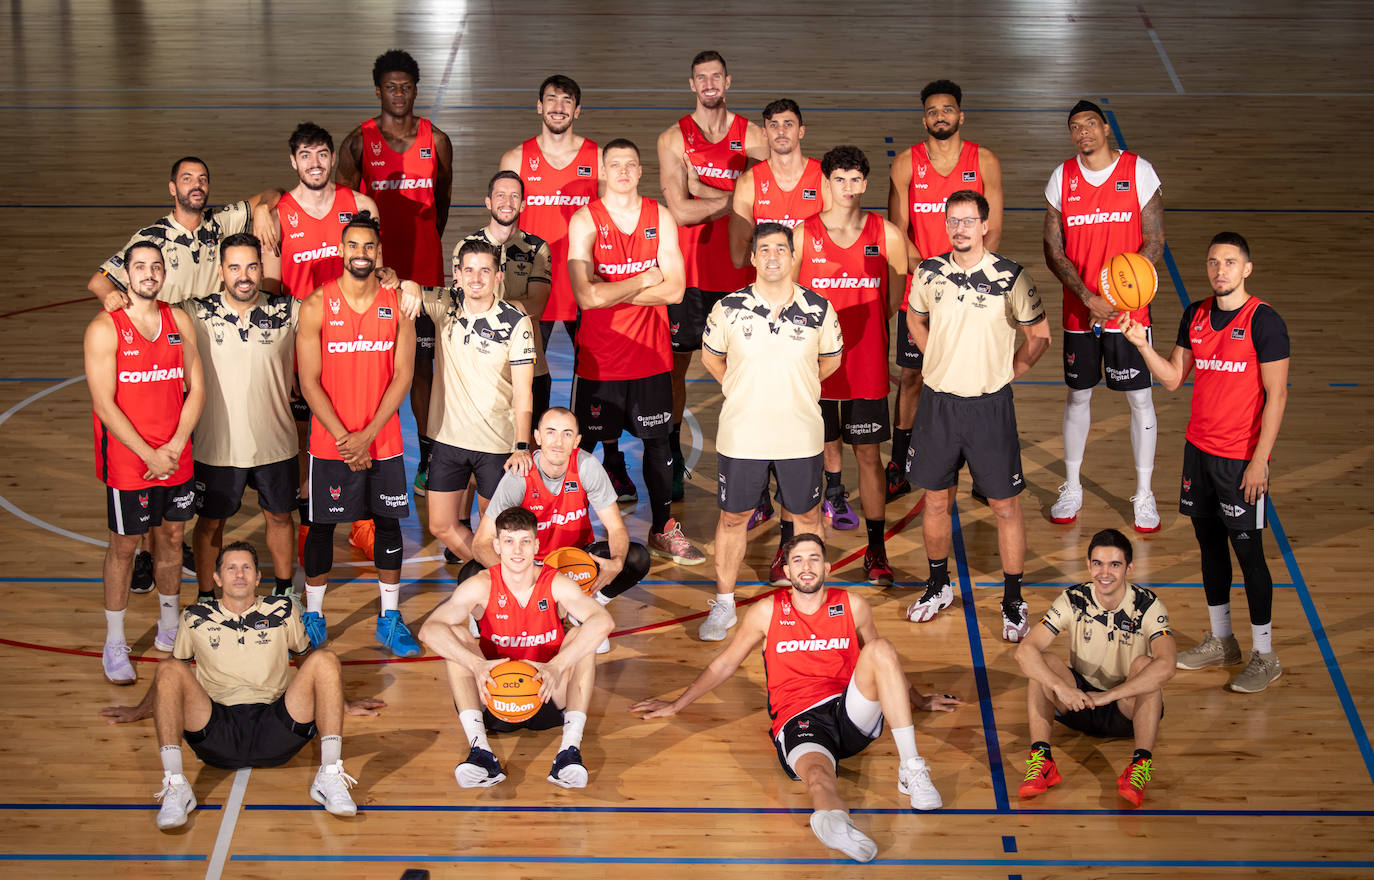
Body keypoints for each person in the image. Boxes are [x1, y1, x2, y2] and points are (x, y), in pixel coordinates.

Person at [631, 533, 962, 863]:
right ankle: (835, 824)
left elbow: (885, 666)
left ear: (827, 567)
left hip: (850, 709)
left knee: (881, 648)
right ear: (786, 571)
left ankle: (912, 769)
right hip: (800, 718)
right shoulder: (766, 612)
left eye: (814, 559)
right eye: (798, 560)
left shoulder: (852, 605)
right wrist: (676, 704)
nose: (806, 567)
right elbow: (726, 663)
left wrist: (919, 700)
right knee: (818, 777)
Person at [87, 156, 279, 588]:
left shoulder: (223, 219)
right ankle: (142, 553)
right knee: (151, 460)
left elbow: (271, 196)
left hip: (208, 354)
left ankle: (172, 543)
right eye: (187, 179)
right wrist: (114, 302)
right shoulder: (151, 237)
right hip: (160, 357)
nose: (196, 186)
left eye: (202, 179)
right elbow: (100, 280)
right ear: (172, 188)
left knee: (185, 461)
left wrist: (264, 211)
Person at [98, 542, 385, 830]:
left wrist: (341, 702)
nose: (239, 574)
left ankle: (330, 775)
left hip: (278, 725)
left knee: (325, 658)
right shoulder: (195, 617)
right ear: (217, 578)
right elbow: (169, 682)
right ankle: (176, 786)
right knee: (169, 668)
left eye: (246, 567)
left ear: (258, 577)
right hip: (216, 729)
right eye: (231, 567)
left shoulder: (282, 610)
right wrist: (139, 710)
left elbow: (306, 660)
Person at [1119, 232, 1290, 693]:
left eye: (1230, 262)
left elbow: (1277, 397)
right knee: (1209, 546)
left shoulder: (1265, 322)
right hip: (1199, 452)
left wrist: (1260, 462)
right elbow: (1174, 378)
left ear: (1246, 269)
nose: (1220, 270)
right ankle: (1222, 640)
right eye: (1214, 262)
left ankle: (1265, 654)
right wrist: (1140, 343)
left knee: (1248, 553)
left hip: (1241, 462)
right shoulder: (1196, 314)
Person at [902, 191, 1050, 642]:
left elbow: (1040, 334)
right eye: (953, 221)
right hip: (939, 404)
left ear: (985, 226)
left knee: (1005, 507)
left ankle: (1012, 596)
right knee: (936, 500)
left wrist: (1011, 370)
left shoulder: (1011, 277)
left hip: (990, 408)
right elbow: (914, 319)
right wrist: (936, 359)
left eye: (969, 221)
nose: (961, 228)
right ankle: (937, 583)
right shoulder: (929, 272)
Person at [697, 222, 843, 641]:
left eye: (782, 248)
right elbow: (712, 358)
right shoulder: (728, 308)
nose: (774, 256)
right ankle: (724, 605)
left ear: (793, 255)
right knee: (732, 517)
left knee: (807, 517)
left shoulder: (819, 308)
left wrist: (796, 388)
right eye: (765, 249)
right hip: (743, 434)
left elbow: (829, 362)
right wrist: (740, 389)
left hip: (799, 433)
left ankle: (807, 603)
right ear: (754, 257)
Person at [566, 138, 704, 566]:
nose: (623, 170)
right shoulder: (584, 221)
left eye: (631, 163)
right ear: (602, 172)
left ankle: (663, 528)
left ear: (640, 171)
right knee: (583, 449)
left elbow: (676, 288)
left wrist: (612, 291)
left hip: (649, 356)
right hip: (599, 359)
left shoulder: (659, 216)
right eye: (615, 164)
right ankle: (575, 529)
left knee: (659, 447)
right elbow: (586, 298)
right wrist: (643, 280)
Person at [295, 211, 420, 656]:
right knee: (321, 527)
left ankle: (389, 618)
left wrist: (367, 435)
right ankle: (313, 613)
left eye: (369, 247)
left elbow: (403, 376)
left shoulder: (398, 304)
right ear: (341, 250)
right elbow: (308, 381)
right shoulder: (315, 305)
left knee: (388, 525)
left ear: (379, 253)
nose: (361, 254)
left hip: (382, 439)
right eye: (353, 246)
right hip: (332, 442)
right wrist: (347, 438)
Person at [419, 507, 614, 789]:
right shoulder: (482, 585)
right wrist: (476, 664)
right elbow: (430, 630)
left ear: (536, 544)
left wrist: (556, 666)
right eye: (509, 541)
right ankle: (480, 751)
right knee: (455, 637)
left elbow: (603, 622)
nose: (517, 550)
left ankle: (569, 752)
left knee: (583, 636)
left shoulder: (555, 582)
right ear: (497, 545)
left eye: (525, 541)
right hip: (493, 698)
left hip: (547, 692)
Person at [84, 241, 205, 684]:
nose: (149, 273)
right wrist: (150, 453)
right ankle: (114, 641)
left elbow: (198, 389)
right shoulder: (105, 328)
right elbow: (105, 404)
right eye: (140, 267)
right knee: (124, 546)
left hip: (176, 455)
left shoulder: (179, 321)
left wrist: (173, 446)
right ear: (126, 274)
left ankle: (170, 626)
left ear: (163, 273)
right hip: (130, 461)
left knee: (172, 538)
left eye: (156, 266)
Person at [1043, 99, 1166, 532]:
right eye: (1075, 127)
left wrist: (1125, 294)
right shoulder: (1063, 177)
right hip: (1081, 311)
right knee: (1078, 396)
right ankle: (1072, 486)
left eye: (1091, 124)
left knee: (1139, 398)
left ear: (1107, 128)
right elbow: (1052, 249)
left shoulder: (1138, 171)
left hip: (1130, 314)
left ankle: (1144, 493)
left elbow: (1154, 240)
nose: (1083, 133)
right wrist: (1087, 295)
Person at [337, 49, 454, 494]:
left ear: (416, 89)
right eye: (391, 86)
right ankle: (361, 453)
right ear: (379, 90)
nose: (399, 93)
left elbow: (442, 200)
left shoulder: (437, 140)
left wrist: (424, 244)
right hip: (373, 276)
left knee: (423, 367)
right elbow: (343, 211)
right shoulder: (357, 142)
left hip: (423, 275)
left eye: (406, 86)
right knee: (369, 368)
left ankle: (427, 456)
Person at [657, 50, 770, 502]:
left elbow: (766, 198)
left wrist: (703, 188)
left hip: (743, 271)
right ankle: (668, 458)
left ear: (728, 81)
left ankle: (755, 463)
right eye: (700, 78)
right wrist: (733, 197)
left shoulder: (756, 136)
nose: (708, 84)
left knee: (749, 372)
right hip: (690, 274)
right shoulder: (672, 139)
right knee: (675, 370)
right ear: (691, 85)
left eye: (716, 77)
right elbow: (681, 214)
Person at [886, 80, 1004, 502]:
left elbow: (993, 229)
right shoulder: (904, 164)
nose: (941, 116)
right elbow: (897, 233)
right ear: (924, 119)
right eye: (933, 110)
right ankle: (900, 464)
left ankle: (981, 471)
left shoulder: (984, 160)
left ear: (960, 115)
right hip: (921, 291)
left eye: (948, 109)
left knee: (974, 379)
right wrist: (934, 272)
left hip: (971, 292)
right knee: (913, 377)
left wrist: (964, 275)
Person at [795, 146, 908, 585]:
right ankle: (802, 549)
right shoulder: (803, 234)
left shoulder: (888, 234)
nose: (846, 187)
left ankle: (876, 549)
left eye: (854, 179)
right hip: (815, 370)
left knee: (869, 456)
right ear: (825, 183)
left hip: (866, 368)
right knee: (809, 456)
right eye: (838, 179)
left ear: (865, 183)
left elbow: (893, 302)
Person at [465, 407, 653, 652]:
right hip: (529, 566)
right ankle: (498, 617)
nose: (558, 441)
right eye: (551, 432)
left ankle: (587, 609)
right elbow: (481, 542)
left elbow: (616, 527)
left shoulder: (586, 466)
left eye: (566, 434)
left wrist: (616, 561)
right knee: (470, 575)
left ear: (576, 441)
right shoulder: (519, 476)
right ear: (538, 437)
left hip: (573, 561)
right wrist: (515, 581)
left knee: (635, 558)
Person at [1015, 528, 1176, 806]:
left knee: (1146, 667)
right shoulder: (1073, 599)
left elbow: (1168, 665)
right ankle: (1042, 760)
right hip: (1079, 702)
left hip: (1125, 707)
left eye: (1115, 564)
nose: (1105, 572)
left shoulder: (1147, 605)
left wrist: (1109, 696)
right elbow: (1024, 651)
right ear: (1089, 565)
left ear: (1129, 567)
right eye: (1098, 563)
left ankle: (1139, 766)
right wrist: (1060, 688)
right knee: (1045, 662)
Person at [402, 239, 536, 569]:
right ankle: (496, 580)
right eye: (469, 270)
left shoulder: (515, 322)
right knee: (441, 525)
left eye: (485, 270)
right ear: (457, 275)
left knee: (497, 535)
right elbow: (405, 285)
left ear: (498, 276)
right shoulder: (444, 304)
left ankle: (502, 587)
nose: (476, 278)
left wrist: (521, 445)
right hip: (447, 441)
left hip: (496, 447)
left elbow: (523, 392)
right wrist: (405, 285)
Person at [183, 234, 300, 602]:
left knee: (280, 518)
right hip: (216, 447)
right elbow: (147, 307)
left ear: (262, 269)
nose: (244, 275)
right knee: (210, 524)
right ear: (221, 272)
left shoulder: (288, 310)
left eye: (251, 266)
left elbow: (339, 304)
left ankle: (285, 592)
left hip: (276, 444)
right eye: (234, 267)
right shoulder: (194, 311)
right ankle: (205, 596)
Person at [727, 97, 824, 530]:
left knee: (814, 404)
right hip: (765, 310)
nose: (781, 131)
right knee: (759, 401)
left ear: (801, 130)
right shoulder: (750, 182)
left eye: (789, 124)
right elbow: (736, 252)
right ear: (764, 133)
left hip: (811, 309)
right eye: (773, 125)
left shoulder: (822, 177)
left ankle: (828, 489)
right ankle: (761, 496)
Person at [497, 74, 600, 376]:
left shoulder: (598, 158)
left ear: (577, 110)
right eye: (552, 99)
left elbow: (609, 224)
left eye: (567, 101)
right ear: (539, 107)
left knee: (592, 373)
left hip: (581, 285)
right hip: (527, 285)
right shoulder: (515, 159)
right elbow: (501, 228)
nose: (559, 107)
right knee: (526, 375)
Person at [462, 171, 554, 421]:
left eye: (515, 196)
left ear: (523, 204)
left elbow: (536, 306)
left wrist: (486, 304)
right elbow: (464, 306)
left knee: (529, 449)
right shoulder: (466, 246)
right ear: (488, 202)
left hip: (532, 369)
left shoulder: (537, 248)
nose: (507, 202)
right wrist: (512, 306)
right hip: (483, 369)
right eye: (500, 195)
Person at [261, 122, 381, 299]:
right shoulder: (277, 217)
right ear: (293, 161)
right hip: (300, 323)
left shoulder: (362, 207)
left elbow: (376, 273)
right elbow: (270, 292)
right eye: (305, 156)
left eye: (322, 154)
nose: (315, 163)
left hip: (352, 322)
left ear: (332, 158)